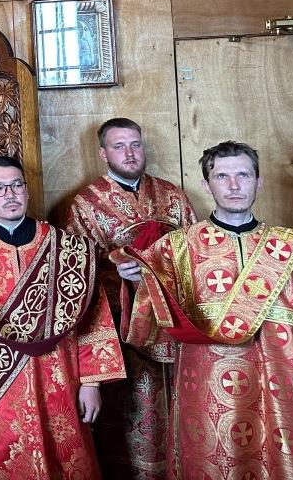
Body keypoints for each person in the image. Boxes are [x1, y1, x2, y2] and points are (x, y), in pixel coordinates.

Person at [0, 156, 126, 479]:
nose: (10, 194)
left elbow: (94, 318)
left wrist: (91, 383)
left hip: (60, 380)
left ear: (27, 191)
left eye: (17, 185)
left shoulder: (69, 249)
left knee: (68, 461)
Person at [113, 142, 293, 480]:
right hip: (207, 386)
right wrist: (134, 281)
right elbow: (148, 327)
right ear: (206, 184)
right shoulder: (176, 247)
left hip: (279, 381)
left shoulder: (292, 247)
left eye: (244, 175)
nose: (234, 185)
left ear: (258, 181)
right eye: (222, 176)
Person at [65, 117, 197, 480]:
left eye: (135, 144)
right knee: (135, 420)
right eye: (119, 146)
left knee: (184, 414)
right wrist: (116, 274)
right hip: (126, 336)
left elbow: (195, 255)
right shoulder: (86, 204)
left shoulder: (173, 196)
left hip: (176, 330)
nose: (129, 153)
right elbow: (77, 274)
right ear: (103, 153)